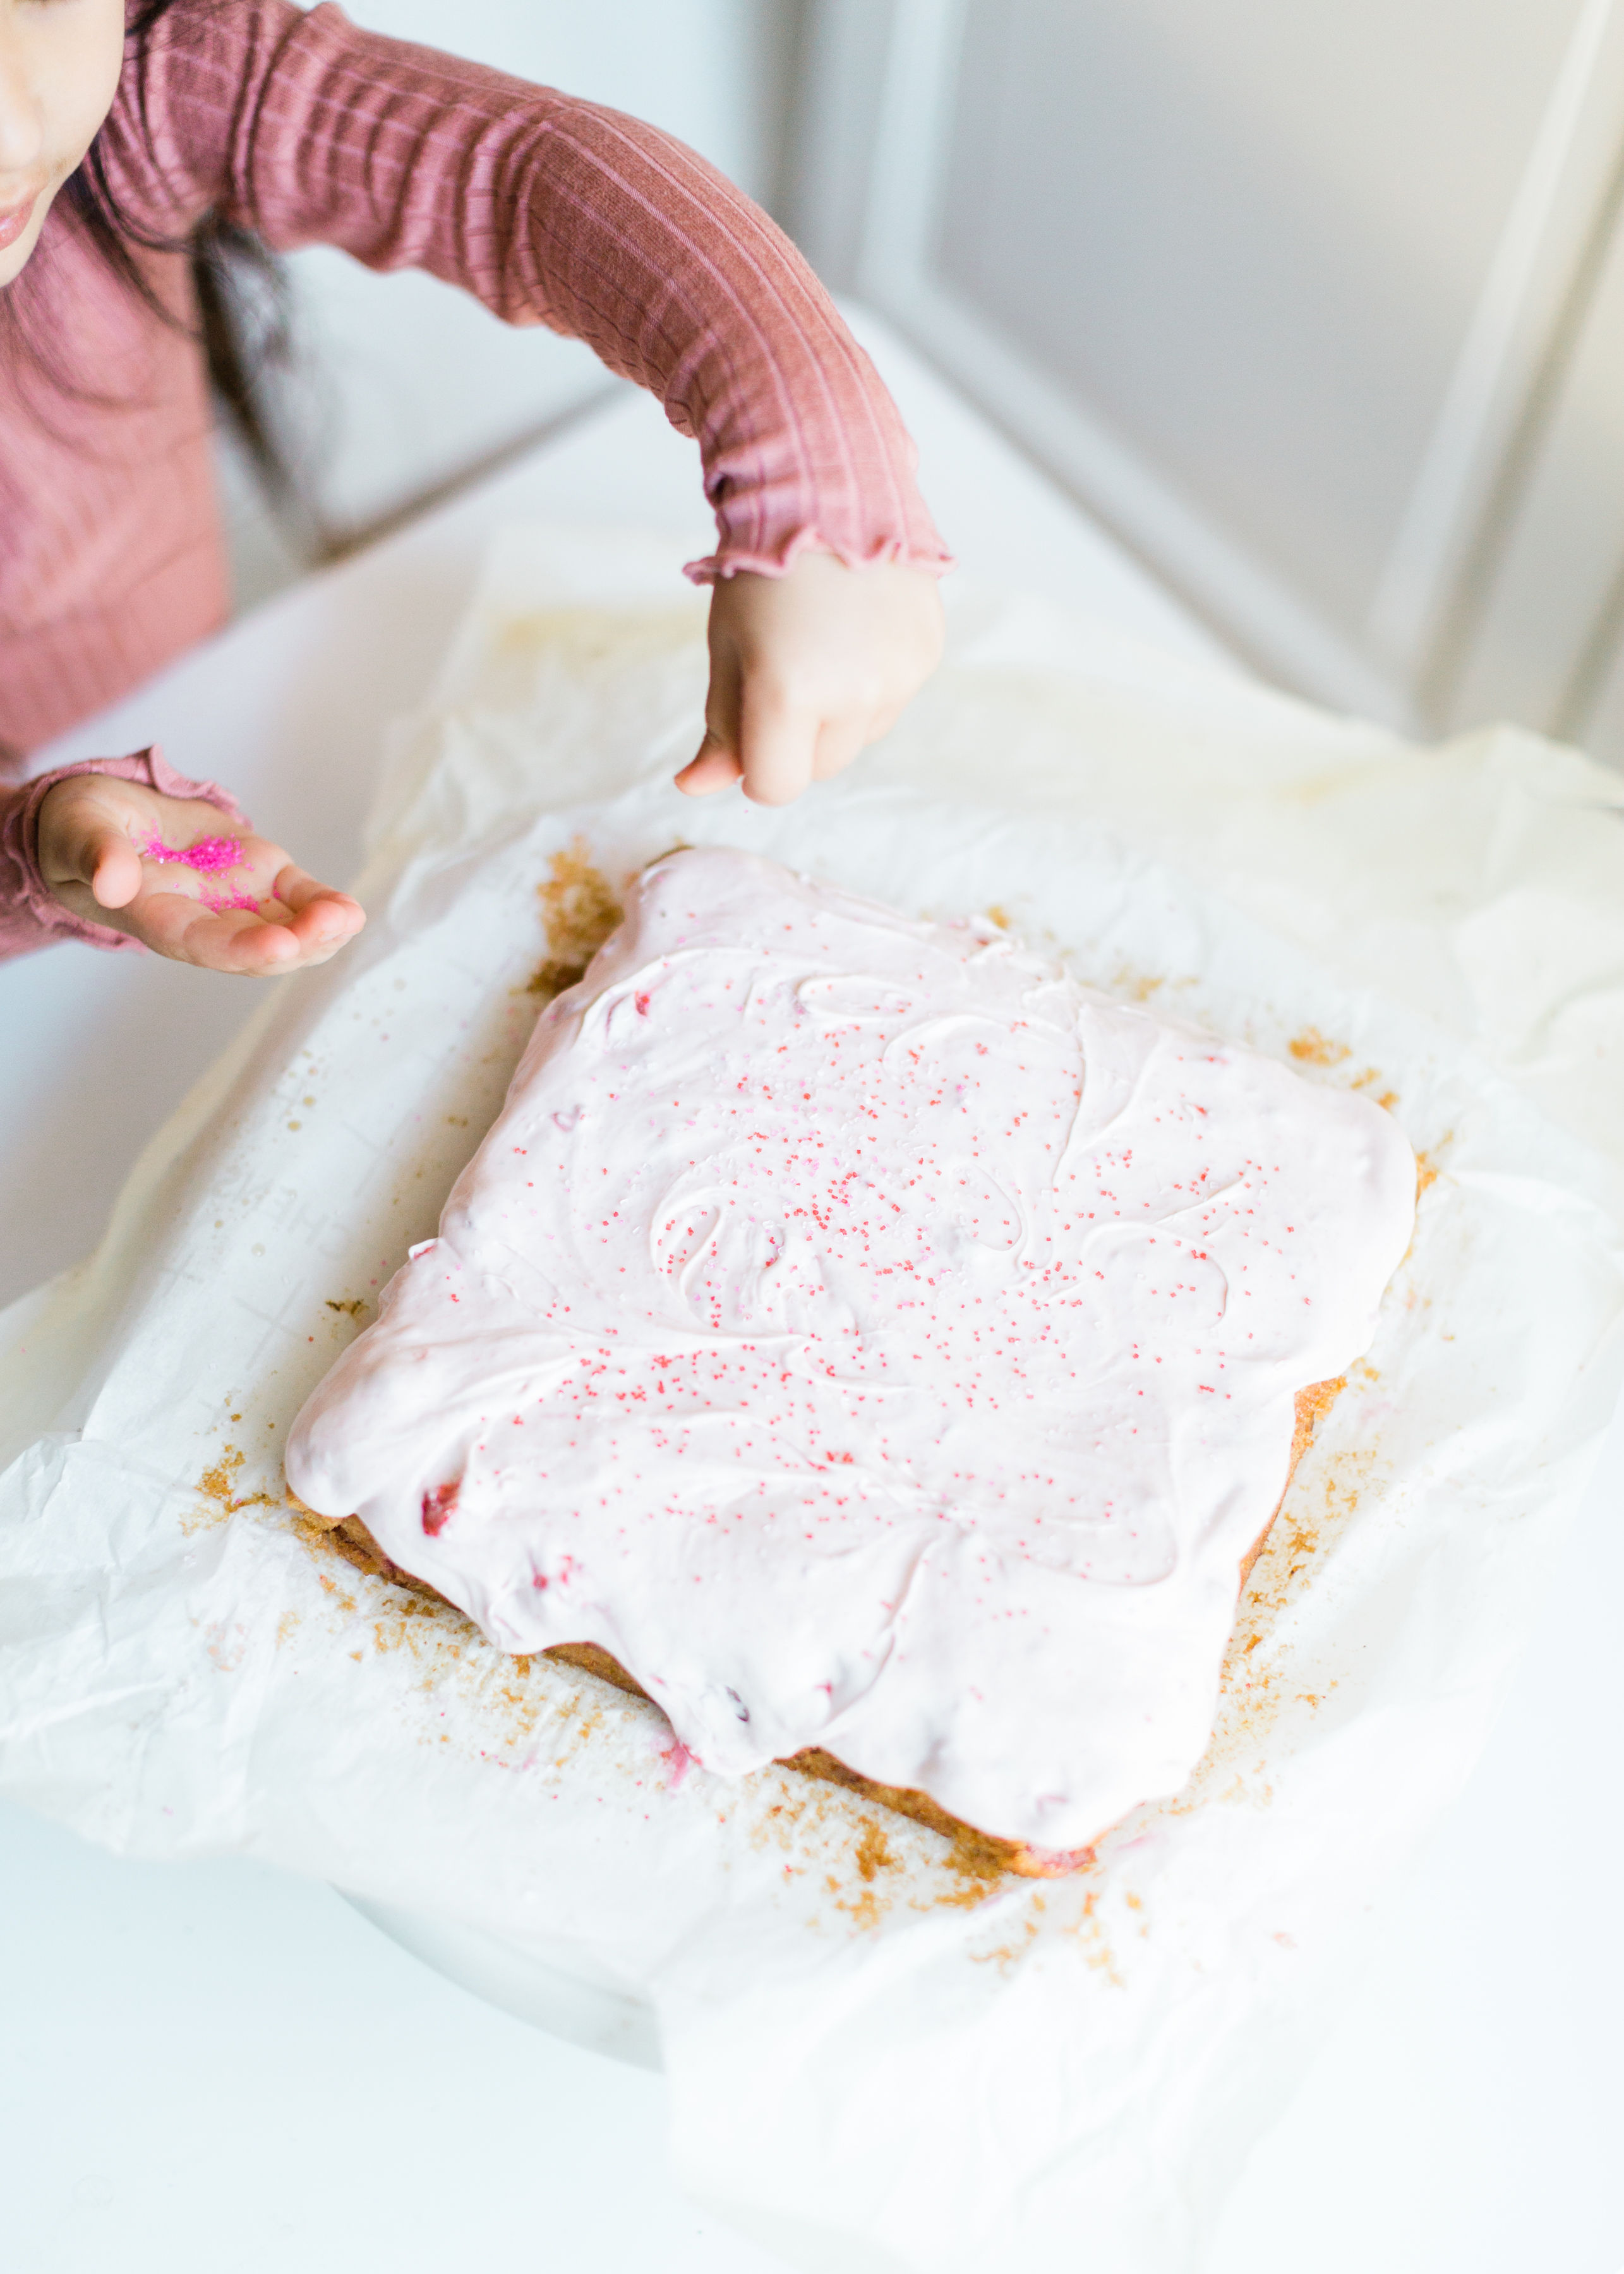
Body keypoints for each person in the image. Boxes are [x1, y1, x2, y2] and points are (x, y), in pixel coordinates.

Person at [0, 0, 949, 975]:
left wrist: (817, 462)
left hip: (203, 680)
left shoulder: (150, 79)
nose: (13, 131)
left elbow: (520, 172)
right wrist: (31, 852)